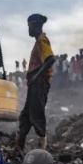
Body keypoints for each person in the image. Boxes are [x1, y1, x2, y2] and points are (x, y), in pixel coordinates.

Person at [16, 13, 55, 152]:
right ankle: (19, 147)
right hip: (35, 85)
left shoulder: (42, 40)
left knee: (36, 115)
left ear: (36, 26)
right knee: (25, 116)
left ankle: (43, 148)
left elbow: (50, 59)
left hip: (39, 84)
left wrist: (36, 76)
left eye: (29, 26)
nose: (28, 29)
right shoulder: (38, 41)